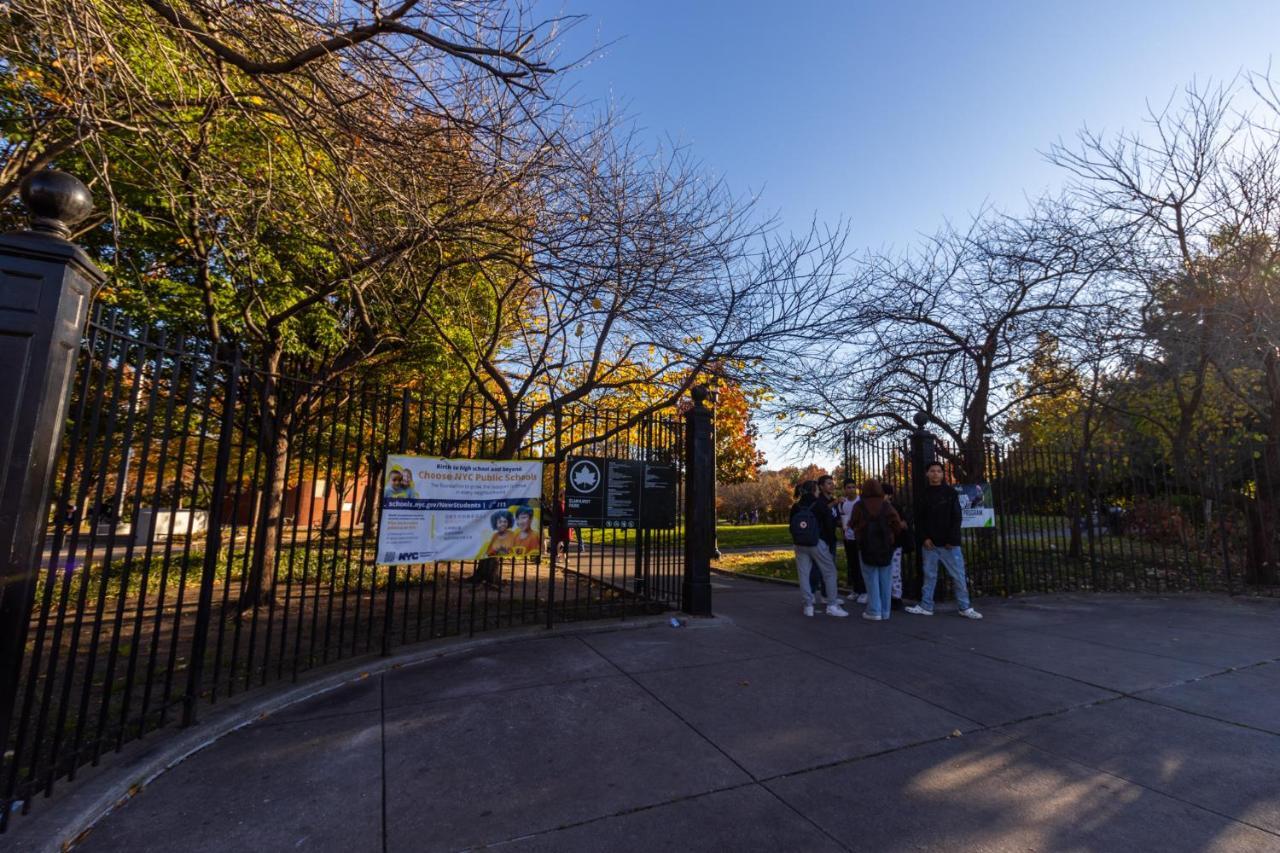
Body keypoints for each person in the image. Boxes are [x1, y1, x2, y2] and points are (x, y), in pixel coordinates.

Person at [906, 462, 983, 619]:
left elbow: (956, 516)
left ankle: (965, 607)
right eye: (932, 471)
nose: (935, 474)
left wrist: (952, 539)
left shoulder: (950, 493)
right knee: (929, 576)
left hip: (949, 544)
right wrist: (924, 538)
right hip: (930, 544)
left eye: (938, 471)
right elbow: (919, 519)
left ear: (943, 474)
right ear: (927, 474)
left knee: (958, 576)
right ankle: (926, 606)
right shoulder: (923, 494)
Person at [789, 481, 848, 617]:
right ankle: (832, 604)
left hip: (799, 544)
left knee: (803, 574)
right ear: (815, 490)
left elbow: (791, 526)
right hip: (817, 542)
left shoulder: (796, 506)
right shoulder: (820, 504)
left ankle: (808, 606)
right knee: (830, 572)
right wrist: (827, 541)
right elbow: (828, 524)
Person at [850, 479, 906, 621]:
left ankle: (874, 610)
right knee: (885, 580)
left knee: (871, 579)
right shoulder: (886, 505)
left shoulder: (859, 506)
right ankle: (885, 611)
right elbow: (897, 524)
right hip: (885, 547)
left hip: (866, 546)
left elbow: (852, 523)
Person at [835, 478, 868, 604]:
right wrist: (842, 526)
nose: (851, 489)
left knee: (862, 565)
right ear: (844, 489)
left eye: (853, 487)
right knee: (852, 565)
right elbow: (839, 520)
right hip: (848, 538)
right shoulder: (842, 503)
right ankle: (856, 590)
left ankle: (865, 591)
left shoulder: (861, 501)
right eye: (848, 487)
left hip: (860, 538)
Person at [813, 474, 844, 606]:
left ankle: (828, 595)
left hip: (831, 538)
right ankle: (818, 594)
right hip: (821, 539)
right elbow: (821, 513)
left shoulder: (833, 501)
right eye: (828, 483)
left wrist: (842, 524)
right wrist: (834, 503)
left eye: (832, 483)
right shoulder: (819, 501)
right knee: (821, 569)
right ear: (821, 486)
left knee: (830, 568)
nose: (832, 485)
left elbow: (834, 518)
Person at [882, 482, 909, 610]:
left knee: (894, 571)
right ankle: (889, 595)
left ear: (890, 495)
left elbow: (904, 524)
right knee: (885, 570)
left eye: (885, 494)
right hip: (884, 543)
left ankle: (896, 596)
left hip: (895, 543)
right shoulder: (877, 508)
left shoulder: (895, 507)